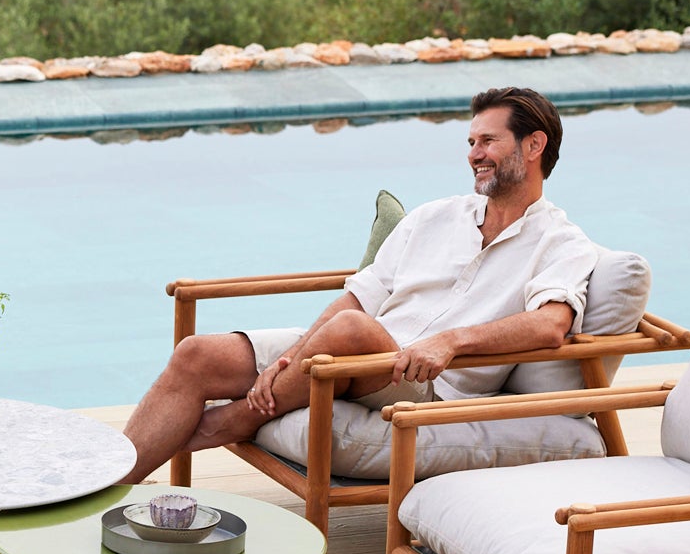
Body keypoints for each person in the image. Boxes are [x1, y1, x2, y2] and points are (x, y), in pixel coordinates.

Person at [123, 86, 597, 483]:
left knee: (352, 329)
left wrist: (450, 342)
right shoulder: (435, 217)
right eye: (471, 142)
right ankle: (107, 487)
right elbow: (360, 294)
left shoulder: (562, 241)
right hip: (353, 352)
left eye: (488, 141)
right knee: (197, 354)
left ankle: (236, 420)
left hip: (425, 382)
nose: (474, 155)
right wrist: (292, 357)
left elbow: (551, 325)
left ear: (533, 146)